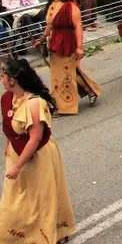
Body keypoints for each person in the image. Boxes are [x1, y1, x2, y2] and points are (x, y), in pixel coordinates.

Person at [0, 59, 76, 243]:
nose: (0, 79)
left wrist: (17, 166)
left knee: (43, 196)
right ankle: (19, 233)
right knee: (16, 197)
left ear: (12, 80)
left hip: (38, 156)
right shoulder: (6, 99)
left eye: (2, 75)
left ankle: (54, 232)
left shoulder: (34, 104)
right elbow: (10, 128)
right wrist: (9, 146)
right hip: (16, 154)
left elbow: (34, 139)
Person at [38, 0, 102, 114]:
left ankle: (67, 105)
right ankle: (65, 101)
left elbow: (78, 26)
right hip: (54, 44)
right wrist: (42, 38)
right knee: (57, 74)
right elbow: (49, 25)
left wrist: (79, 47)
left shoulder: (71, 6)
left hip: (67, 42)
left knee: (69, 72)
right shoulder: (51, 5)